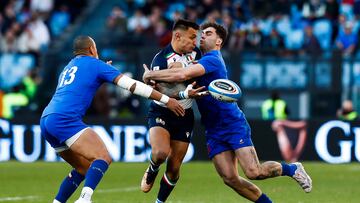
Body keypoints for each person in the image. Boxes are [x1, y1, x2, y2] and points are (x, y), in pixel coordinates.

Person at [143, 22, 312, 203]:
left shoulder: (212, 59)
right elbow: (179, 73)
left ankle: (291, 169)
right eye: (202, 33)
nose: (202, 36)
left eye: (208, 33)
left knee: (254, 171)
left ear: (218, 41)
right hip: (213, 127)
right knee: (230, 178)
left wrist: (149, 75)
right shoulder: (198, 58)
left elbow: (181, 75)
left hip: (231, 122)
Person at [40, 35, 185, 203]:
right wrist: (167, 100)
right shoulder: (96, 64)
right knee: (103, 157)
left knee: (83, 168)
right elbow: (133, 86)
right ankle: (84, 199)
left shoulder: (69, 67)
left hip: (46, 119)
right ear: (92, 50)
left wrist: (101, 74)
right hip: (65, 119)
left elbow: (81, 85)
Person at [140, 19, 205, 203]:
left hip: (184, 115)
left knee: (174, 168)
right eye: (192, 37)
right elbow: (158, 91)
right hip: (162, 112)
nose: (195, 42)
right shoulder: (161, 59)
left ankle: (160, 202)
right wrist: (184, 93)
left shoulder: (197, 54)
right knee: (160, 153)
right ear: (177, 36)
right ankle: (153, 168)